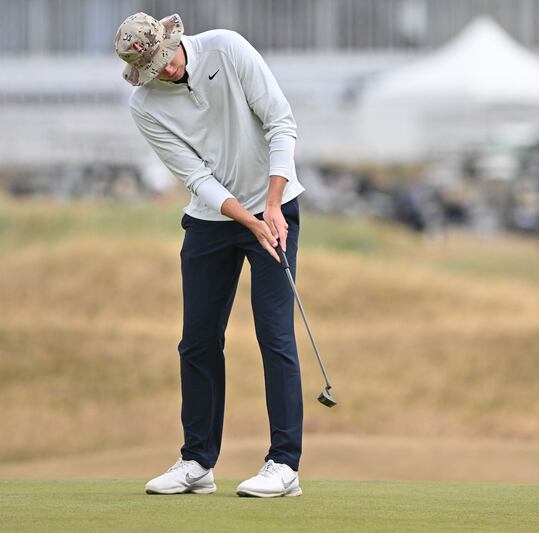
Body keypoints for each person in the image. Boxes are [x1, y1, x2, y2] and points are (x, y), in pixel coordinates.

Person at [114, 12, 305, 498]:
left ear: (173, 38)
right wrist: (247, 219)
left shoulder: (226, 48)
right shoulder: (145, 105)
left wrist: (271, 205)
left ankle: (284, 465)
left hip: (275, 203)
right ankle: (197, 461)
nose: (167, 71)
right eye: (153, 69)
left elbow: (281, 123)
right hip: (211, 216)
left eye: (166, 60)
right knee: (197, 341)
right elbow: (196, 177)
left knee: (273, 333)